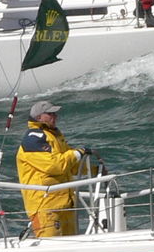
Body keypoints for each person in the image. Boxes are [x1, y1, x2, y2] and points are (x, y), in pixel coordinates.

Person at [14, 100, 94, 238]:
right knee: (50, 245)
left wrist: (95, 170)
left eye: (55, 114)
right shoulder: (33, 139)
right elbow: (54, 166)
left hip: (65, 204)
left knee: (72, 245)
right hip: (45, 206)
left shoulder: (55, 136)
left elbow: (70, 166)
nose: (55, 116)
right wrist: (76, 154)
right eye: (50, 114)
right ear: (39, 117)